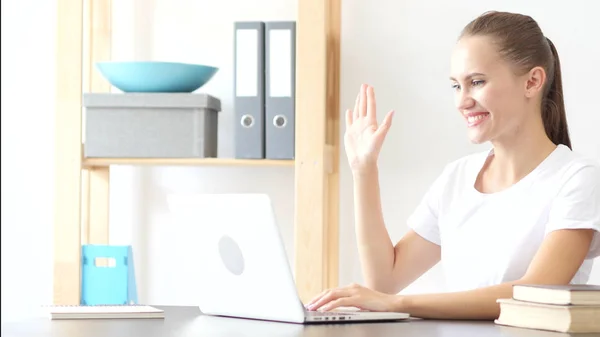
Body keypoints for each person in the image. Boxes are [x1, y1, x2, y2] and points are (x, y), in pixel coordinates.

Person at [305, 10, 600, 320]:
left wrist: (402, 304)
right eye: (456, 86)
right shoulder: (456, 178)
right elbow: (385, 281)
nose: (462, 102)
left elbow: (536, 292)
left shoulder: (575, 179)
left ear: (533, 81)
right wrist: (364, 170)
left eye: (476, 82)